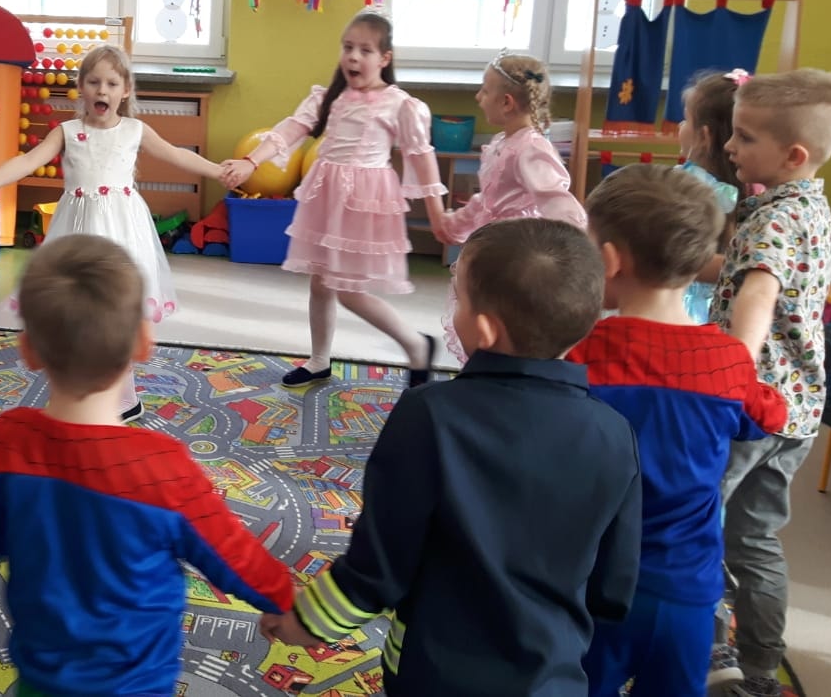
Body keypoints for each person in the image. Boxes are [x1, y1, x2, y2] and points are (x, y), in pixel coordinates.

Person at [0, 235, 294, 697]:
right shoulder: (166, 468)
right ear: (144, 343)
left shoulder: (8, 445)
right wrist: (286, 603)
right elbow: (233, 555)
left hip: (42, 681)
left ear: (28, 350)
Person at [263, 218, 642, 697]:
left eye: (458, 298)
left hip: (432, 672)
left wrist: (306, 622)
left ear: (484, 330)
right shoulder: (615, 433)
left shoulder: (427, 415)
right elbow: (613, 585)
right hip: (551, 676)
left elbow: (379, 567)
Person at [568, 164, 786, 697]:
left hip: (594, 582)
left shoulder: (580, 355)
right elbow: (771, 417)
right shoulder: (728, 361)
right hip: (687, 591)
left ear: (610, 260)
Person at [0, 43, 224, 421]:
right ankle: (83, 390)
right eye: (93, 82)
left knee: (118, 310)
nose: (102, 90)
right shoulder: (68, 132)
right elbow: (28, 160)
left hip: (123, 231)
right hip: (77, 232)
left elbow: (177, 154)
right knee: (77, 310)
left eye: (111, 83)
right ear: (81, 88)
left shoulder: (135, 130)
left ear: (126, 91)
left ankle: (126, 396)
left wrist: (218, 171)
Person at [707, 70, 831, 697]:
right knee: (755, 537)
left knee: (699, 517)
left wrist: (732, 370)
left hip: (751, 406)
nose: (729, 146)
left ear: (792, 155)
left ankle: (711, 644)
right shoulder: (812, 207)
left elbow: (758, 294)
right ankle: (762, 667)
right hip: (798, 410)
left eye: (744, 136)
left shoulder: (772, 222)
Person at [221, 8, 446, 388]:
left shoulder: (399, 104)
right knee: (321, 282)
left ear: (385, 58)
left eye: (365, 50)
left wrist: (437, 214)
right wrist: (251, 161)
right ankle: (319, 360)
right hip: (327, 197)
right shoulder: (330, 97)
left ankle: (416, 345)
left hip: (363, 202)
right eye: (348, 47)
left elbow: (420, 156)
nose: (353, 57)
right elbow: (291, 130)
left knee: (348, 291)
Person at [434, 51, 586, 363]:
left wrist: (574, 249)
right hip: (490, 250)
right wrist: (456, 224)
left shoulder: (530, 148)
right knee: (482, 322)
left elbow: (557, 202)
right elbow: (487, 200)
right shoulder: (503, 143)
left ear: (506, 102)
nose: (478, 97)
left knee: (507, 326)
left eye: (484, 90)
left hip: (514, 255)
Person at [673, 70, 746, 323]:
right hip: (721, 309)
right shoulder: (751, 187)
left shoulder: (684, 186)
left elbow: (674, 257)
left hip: (681, 307)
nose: (680, 126)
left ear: (704, 136)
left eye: (685, 120)